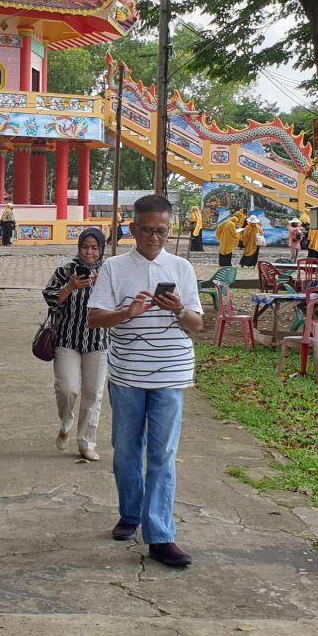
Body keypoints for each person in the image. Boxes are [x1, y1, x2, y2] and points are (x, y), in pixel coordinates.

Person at [87, 195, 203, 568]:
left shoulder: (182, 267)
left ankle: (160, 535)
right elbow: (95, 319)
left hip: (171, 373)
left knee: (162, 455)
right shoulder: (114, 268)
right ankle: (131, 513)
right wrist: (127, 311)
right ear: (132, 229)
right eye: (147, 230)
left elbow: (198, 324)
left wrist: (179, 309)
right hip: (127, 375)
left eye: (162, 231)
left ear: (170, 230)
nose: (154, 237)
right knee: (126, 452)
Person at [42, 228, 109, 461]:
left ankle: (87, 442)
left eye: (94, 247)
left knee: (93, 394)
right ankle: (65, 422)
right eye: (84, 247)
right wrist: (70, 287)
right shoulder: (65, 270)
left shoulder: (109, 272)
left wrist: (103, 284)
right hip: (67, 339)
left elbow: (120, 301)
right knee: (67, 388)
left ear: (101, 249)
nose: (89, 252)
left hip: (98, 341)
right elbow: (51, 299)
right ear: (78, 247)